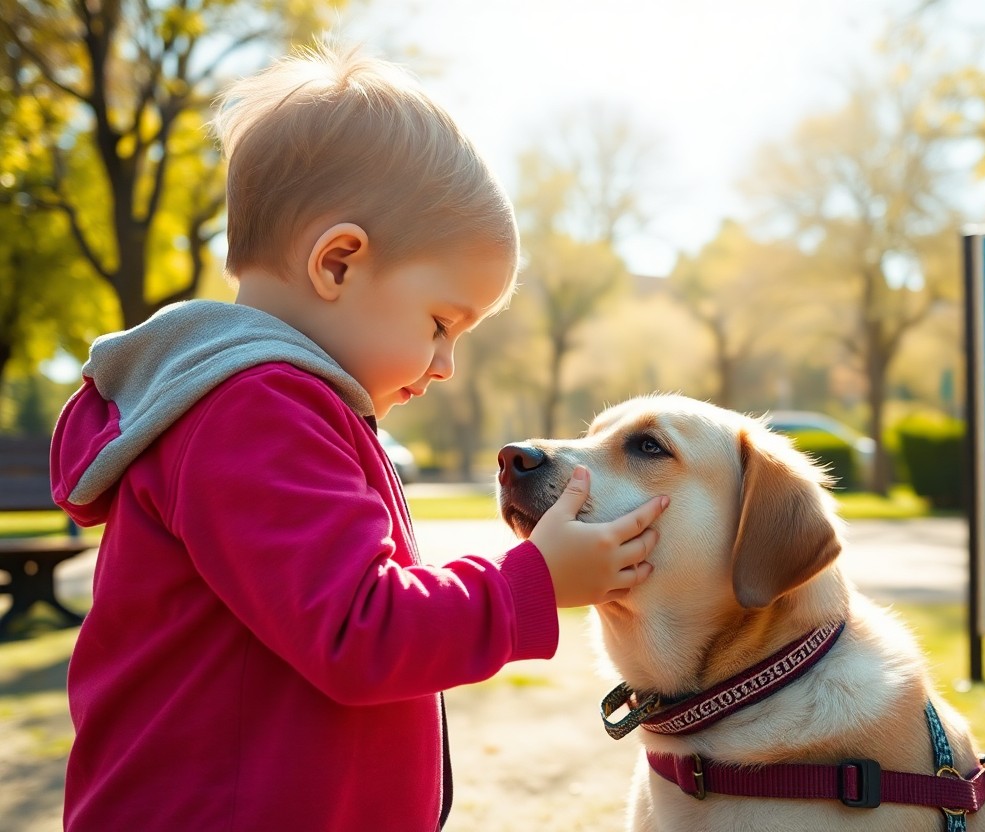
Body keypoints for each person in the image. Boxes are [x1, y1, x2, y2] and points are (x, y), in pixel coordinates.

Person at [49, 45, 667, 832]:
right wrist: (532, 584)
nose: (446, 365)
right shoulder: (256, 411)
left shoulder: (274, 407)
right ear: (338, 263)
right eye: (442, 324)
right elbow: (358, 629)